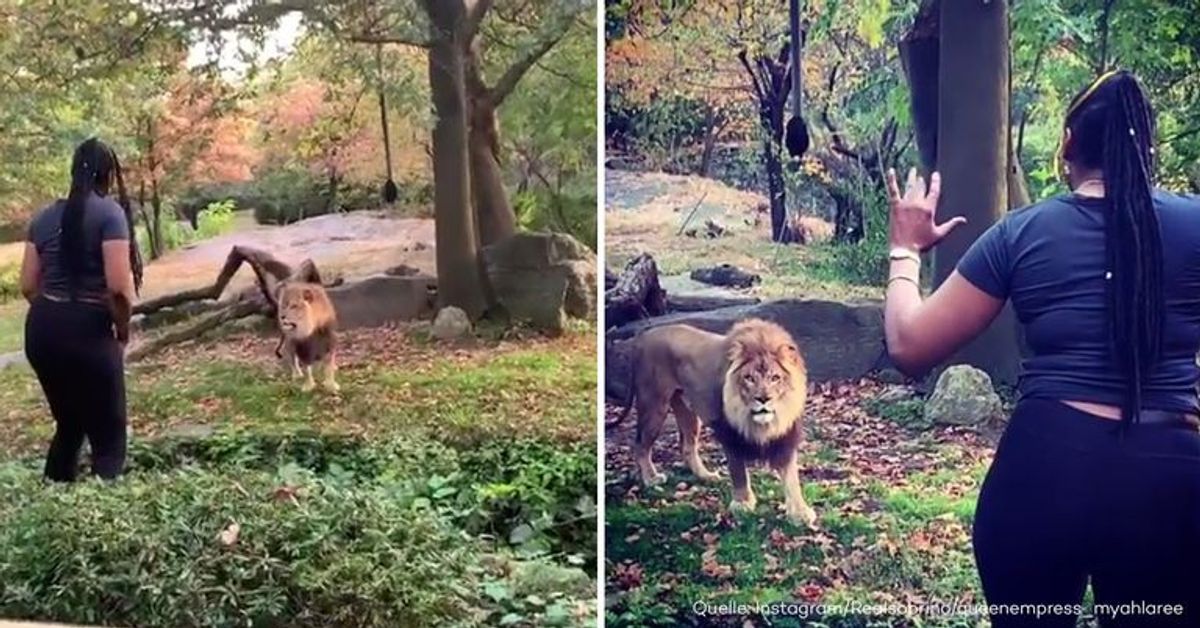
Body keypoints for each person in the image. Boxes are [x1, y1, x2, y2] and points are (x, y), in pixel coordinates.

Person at [883, 70, 1200, 627]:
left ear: (1069, 145)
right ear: (1148, 148)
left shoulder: (1021, 233)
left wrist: (905, 250)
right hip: (1171, 484)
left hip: (1045, 473)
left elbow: (909, 344)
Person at [19, 137, 142, 482]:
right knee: (109, 434)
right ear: (106, 175)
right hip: (88, 328)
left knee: (70, 424)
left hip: (42, 328)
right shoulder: (110, 213)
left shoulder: (42, 217)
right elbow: (118, 288)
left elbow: (28, 285)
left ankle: (55, 500)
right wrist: (122, 330)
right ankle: (104, 516)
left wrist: (55, 315)